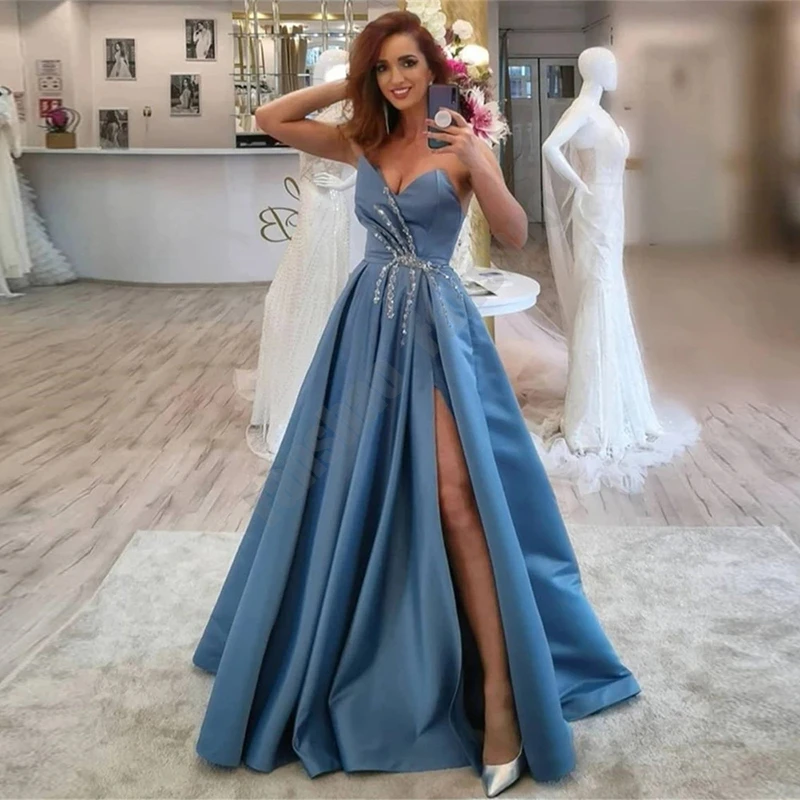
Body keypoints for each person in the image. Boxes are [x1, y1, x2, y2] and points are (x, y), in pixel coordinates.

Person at [192, 12, 639, 798]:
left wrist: (479, 158)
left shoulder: (459, 145)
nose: (397, 79)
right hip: (365, 328)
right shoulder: (362, 141)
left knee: (456, 496)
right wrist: (352, 83)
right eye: (384, 67)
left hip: (436, 326)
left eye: (408, 64)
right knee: (346, 488)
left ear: (434, 68)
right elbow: (272, 116)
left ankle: (500, 697)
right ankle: (347, 644)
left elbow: (514, 230)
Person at [235, 50, 358, 460]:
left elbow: (368, 158)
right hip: (313, 202)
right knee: (293, 297)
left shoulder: (355, 114)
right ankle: (295, 396)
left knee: (323, 294)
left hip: (332, 202)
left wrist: (345, 184)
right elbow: (269, 117)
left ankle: (317, 398)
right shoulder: (317, 111)